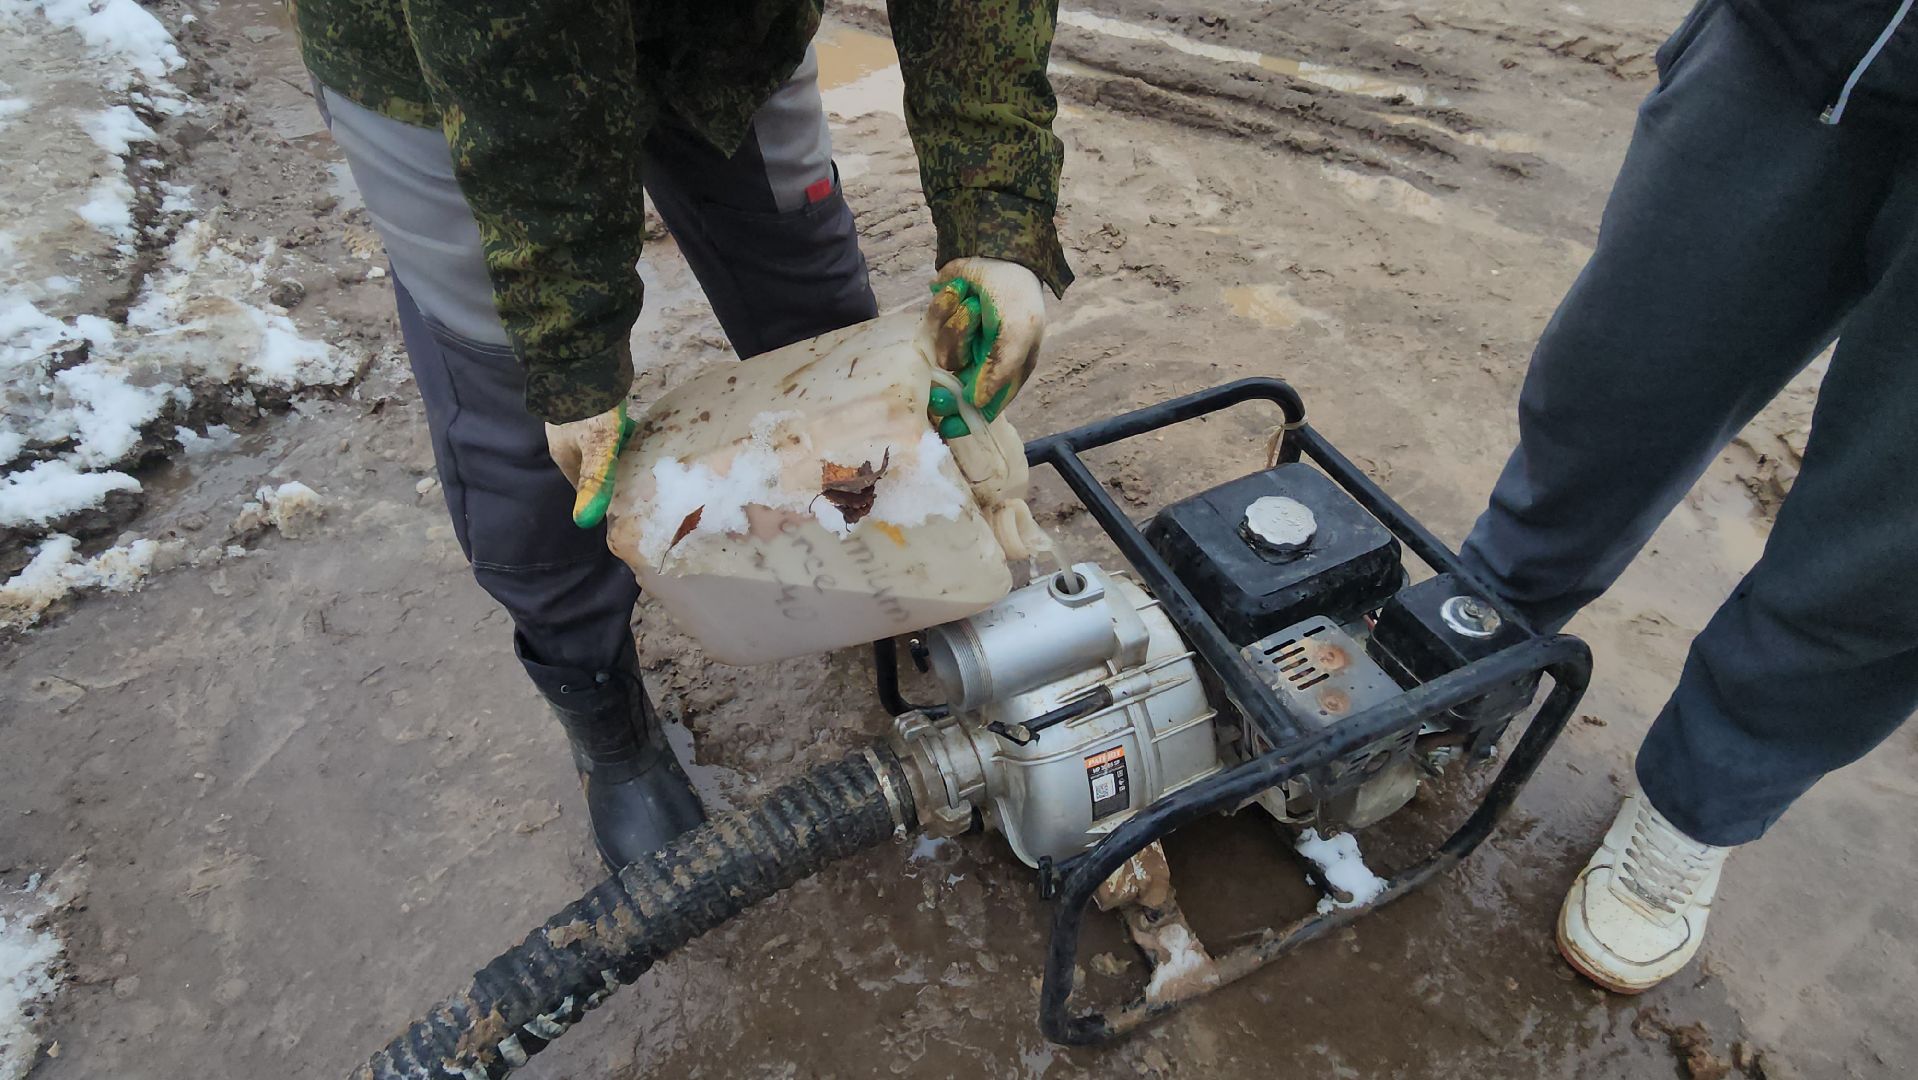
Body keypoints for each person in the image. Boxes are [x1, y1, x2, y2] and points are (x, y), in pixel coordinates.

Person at [289, 0, 1072, 870]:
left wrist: (999, 224)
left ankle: (895, 581)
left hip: (724, 40)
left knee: (819, 316)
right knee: (531, 430)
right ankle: (602, 713)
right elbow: (517, 52)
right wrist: (570, 350)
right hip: (445, 70)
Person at [1458, 0, 1917, 992]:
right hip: (1812, 32)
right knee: (1622, 369)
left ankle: (1699, 803)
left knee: (1892, 541)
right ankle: (1471, 644)